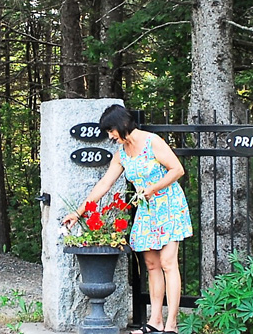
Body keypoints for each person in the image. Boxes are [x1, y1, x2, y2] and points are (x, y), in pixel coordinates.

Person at [61, 104, 192, 334]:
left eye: (111, 130)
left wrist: (154, 187)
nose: (110, 136)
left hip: (169, 206)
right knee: (151, 265)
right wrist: (79, 212)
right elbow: (104, 184)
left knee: (168, 263)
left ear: (122, 124)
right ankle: (155, 322)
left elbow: (177, 169)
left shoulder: (153, 142)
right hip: (147, 210)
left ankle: (171, 325)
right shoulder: (121, 154)